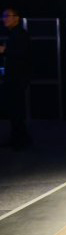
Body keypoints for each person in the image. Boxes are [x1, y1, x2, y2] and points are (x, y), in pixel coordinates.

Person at [0, 8, 32, 148]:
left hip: (17, 78)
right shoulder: (13, 34)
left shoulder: (20, 35)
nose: (4, 19)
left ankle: (20, 140)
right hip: (13, 77)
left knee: (16, 110)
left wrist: (5, 50)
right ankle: (18, 138)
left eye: (7, 16)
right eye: (3, 16)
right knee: (13, 110)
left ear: (16, 18)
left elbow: (22, 54)